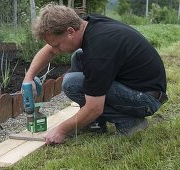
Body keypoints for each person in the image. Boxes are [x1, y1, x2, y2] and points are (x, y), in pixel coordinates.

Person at [22, 3, 168, 145]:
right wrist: (28, 78)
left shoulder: (98, 52)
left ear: (71, 32)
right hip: (142, 87)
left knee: (71, 83)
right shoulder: (89, 24)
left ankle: (130, 122)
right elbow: (50, 49)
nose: (56, 49)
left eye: (57, 45)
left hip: (146, 100)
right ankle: (96, 124)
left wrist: (61, 130)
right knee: (78, 57)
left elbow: (94, 107)